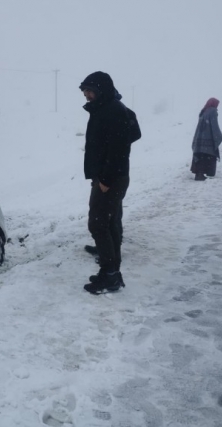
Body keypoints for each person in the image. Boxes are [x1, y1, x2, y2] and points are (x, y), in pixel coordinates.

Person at [79, 71, 141, 295]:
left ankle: (110, 275)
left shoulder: (113, 111)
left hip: (111, 178)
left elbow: (119, 148)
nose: (86, 94)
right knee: (110, 222)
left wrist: (105, 177)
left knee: (98, 224)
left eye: (90, 90)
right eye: (84, 90)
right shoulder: (106, 108)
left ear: (101, 90)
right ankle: (112, 273)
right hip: (109, 176)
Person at [190, 97, 222, 181]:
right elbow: (214, 125)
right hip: (208, 137)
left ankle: (199, 173)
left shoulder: (204, 111)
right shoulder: (213, 111)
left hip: (200, 138)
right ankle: (204, 173)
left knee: (201, 155)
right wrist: (218, 136)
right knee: (207, 154)